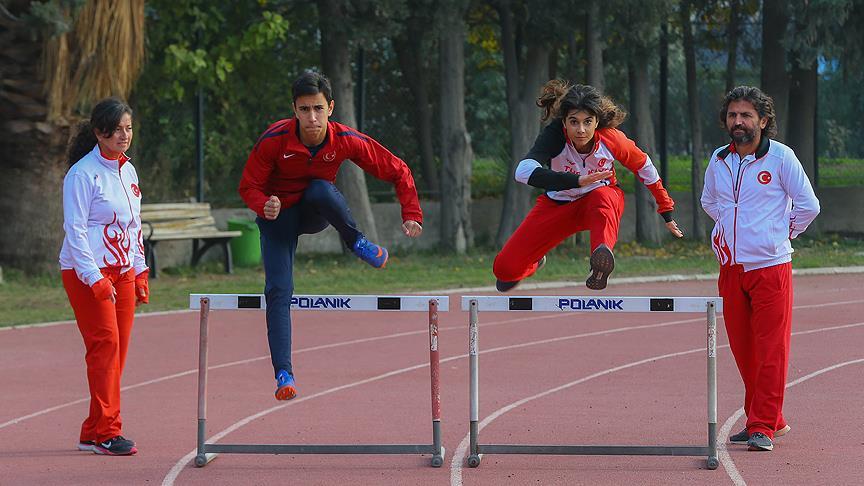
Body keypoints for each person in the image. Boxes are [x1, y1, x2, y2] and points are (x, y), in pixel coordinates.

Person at [238, 71, 423, 401]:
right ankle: (284, 375)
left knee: (321, 189)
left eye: (318, 109)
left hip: (314, 211)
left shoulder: (345, 139)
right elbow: (248, 185)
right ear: (294, 110)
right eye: (305, 109)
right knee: (278, 290)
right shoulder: (274, 139)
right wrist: (263, 203)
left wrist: (411, 213)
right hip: (278, 217)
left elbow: (397, 169)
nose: (312, 118)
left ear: (331, 108)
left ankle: (357, 242)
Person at [701, 86, 820, 452]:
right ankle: (769, 418)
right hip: (730, 267)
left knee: (771, 350)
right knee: (744, 350)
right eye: (733, 115)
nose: (738, 121)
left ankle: (763, 426)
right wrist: (729, 229)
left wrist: (778, 233)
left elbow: (809, 205)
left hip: (771, 267)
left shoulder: (782, 158)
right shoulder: (719, 159)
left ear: (763, 121)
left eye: (746, 115)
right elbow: (709, 201)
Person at [493, 80, 683, 292]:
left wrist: (666, 209)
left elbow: (645, 168)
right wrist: (575, 181)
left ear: (596, 122)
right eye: (574, 122)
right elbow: (522, 171)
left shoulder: (612, 139)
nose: (581, 130)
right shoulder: (554, 136)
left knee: (604, 196)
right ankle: (534, 262)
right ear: (564, 122)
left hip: (599, 201)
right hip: (558, 204)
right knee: (504, 271)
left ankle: (599, 263)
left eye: (587, 122)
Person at [60, 97, 149, 456]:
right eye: (117, 130)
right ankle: (108, 433)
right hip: (86, 273)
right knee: (105, 346)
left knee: (117, 352)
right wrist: (93, 277)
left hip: (123, 272)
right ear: (99, 133)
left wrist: (140, 270)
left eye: (129, 128)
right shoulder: (82, 174)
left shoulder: (128, 171)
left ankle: (92, 431)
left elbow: (134, 225)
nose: (124, 136)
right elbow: (75, 230)